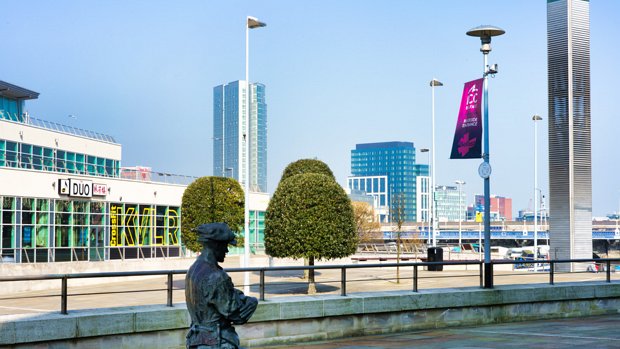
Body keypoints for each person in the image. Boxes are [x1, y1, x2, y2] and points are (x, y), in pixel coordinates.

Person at [185, 223, 258, 349]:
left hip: (196, 340)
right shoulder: (217, 276)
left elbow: (221, 297)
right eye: (225, 246)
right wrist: (252, 302)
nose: (226, 250)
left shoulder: (194, 269)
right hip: (218, 343)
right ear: (216, 245)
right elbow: (236, 315)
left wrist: (234, 294)